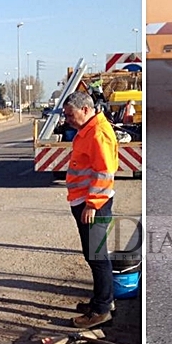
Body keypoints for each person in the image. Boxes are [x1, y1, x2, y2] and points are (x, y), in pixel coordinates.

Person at [62, 91, 118, 329]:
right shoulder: (89, 129)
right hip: (85, 202)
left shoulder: (97, 133)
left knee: (97, 257)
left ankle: (101, 310)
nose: (67, 119)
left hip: (92, 205)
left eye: (70, 114)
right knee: (94, 255)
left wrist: (92, 204)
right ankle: (103, 301)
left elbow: (104, 172)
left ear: (85, 109)